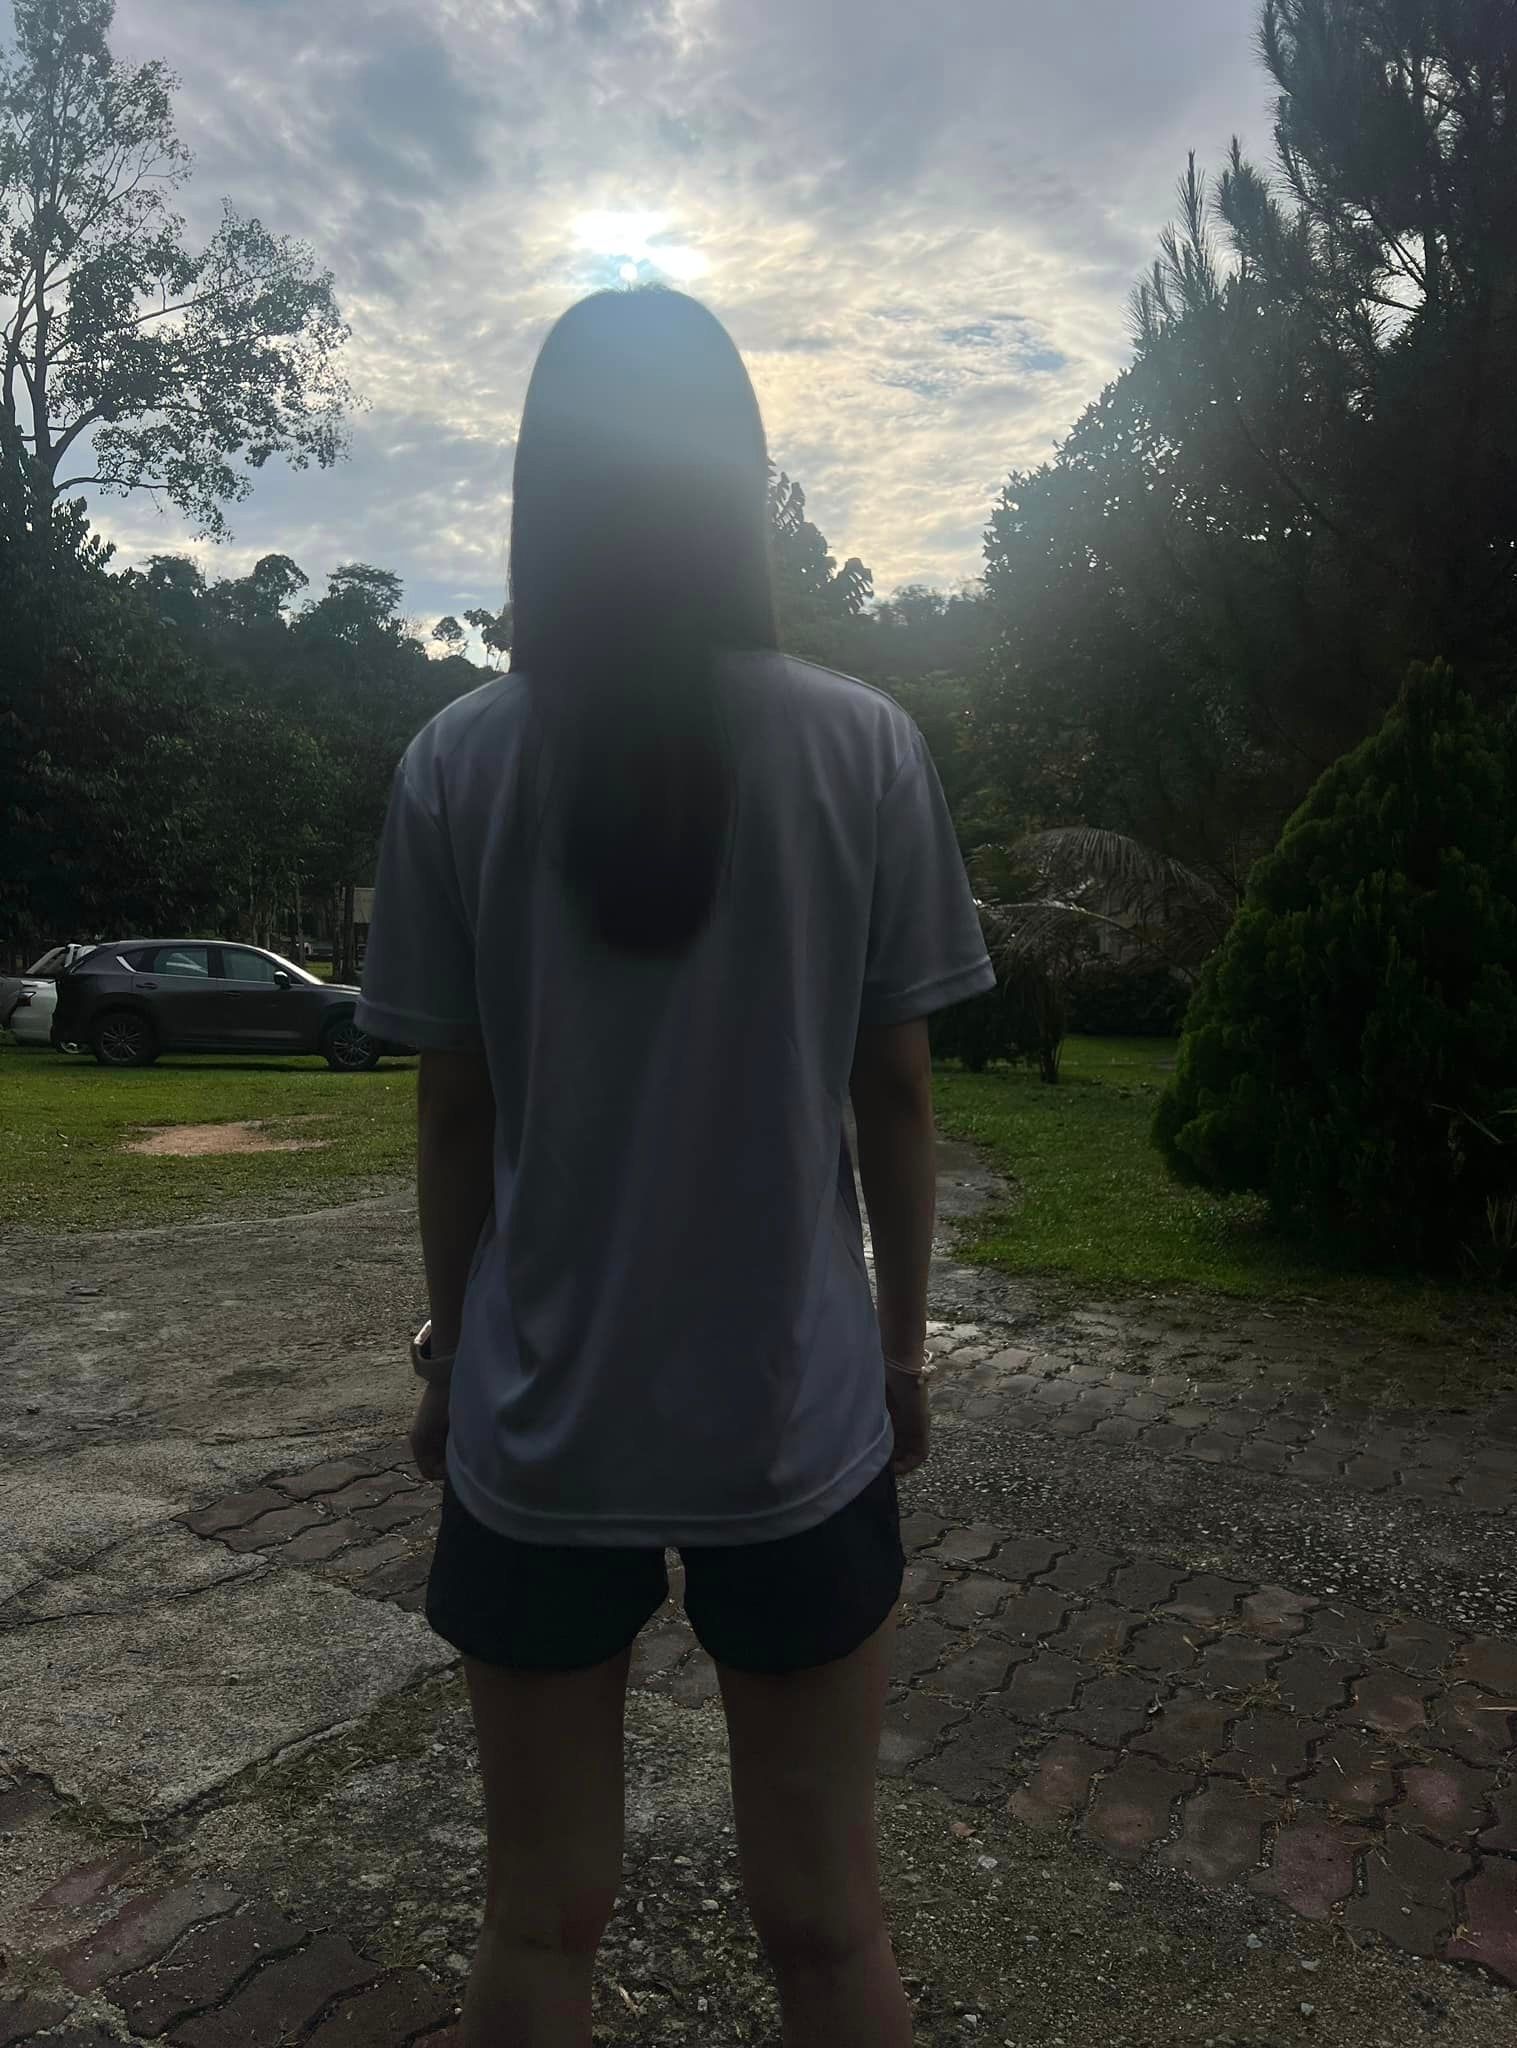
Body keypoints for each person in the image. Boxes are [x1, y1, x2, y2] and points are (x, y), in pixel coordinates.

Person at [356, 286, 994, 2048]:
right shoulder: (864, 748)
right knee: (829, 1927)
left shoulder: (456, 763)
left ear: (542, 489)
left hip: (540, 1428)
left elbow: (457, 1117)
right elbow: (896, 1095)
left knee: (538, 1920)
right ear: (736, 484)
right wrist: (900, 1354)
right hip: (794, 1420)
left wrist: (449, 1360)